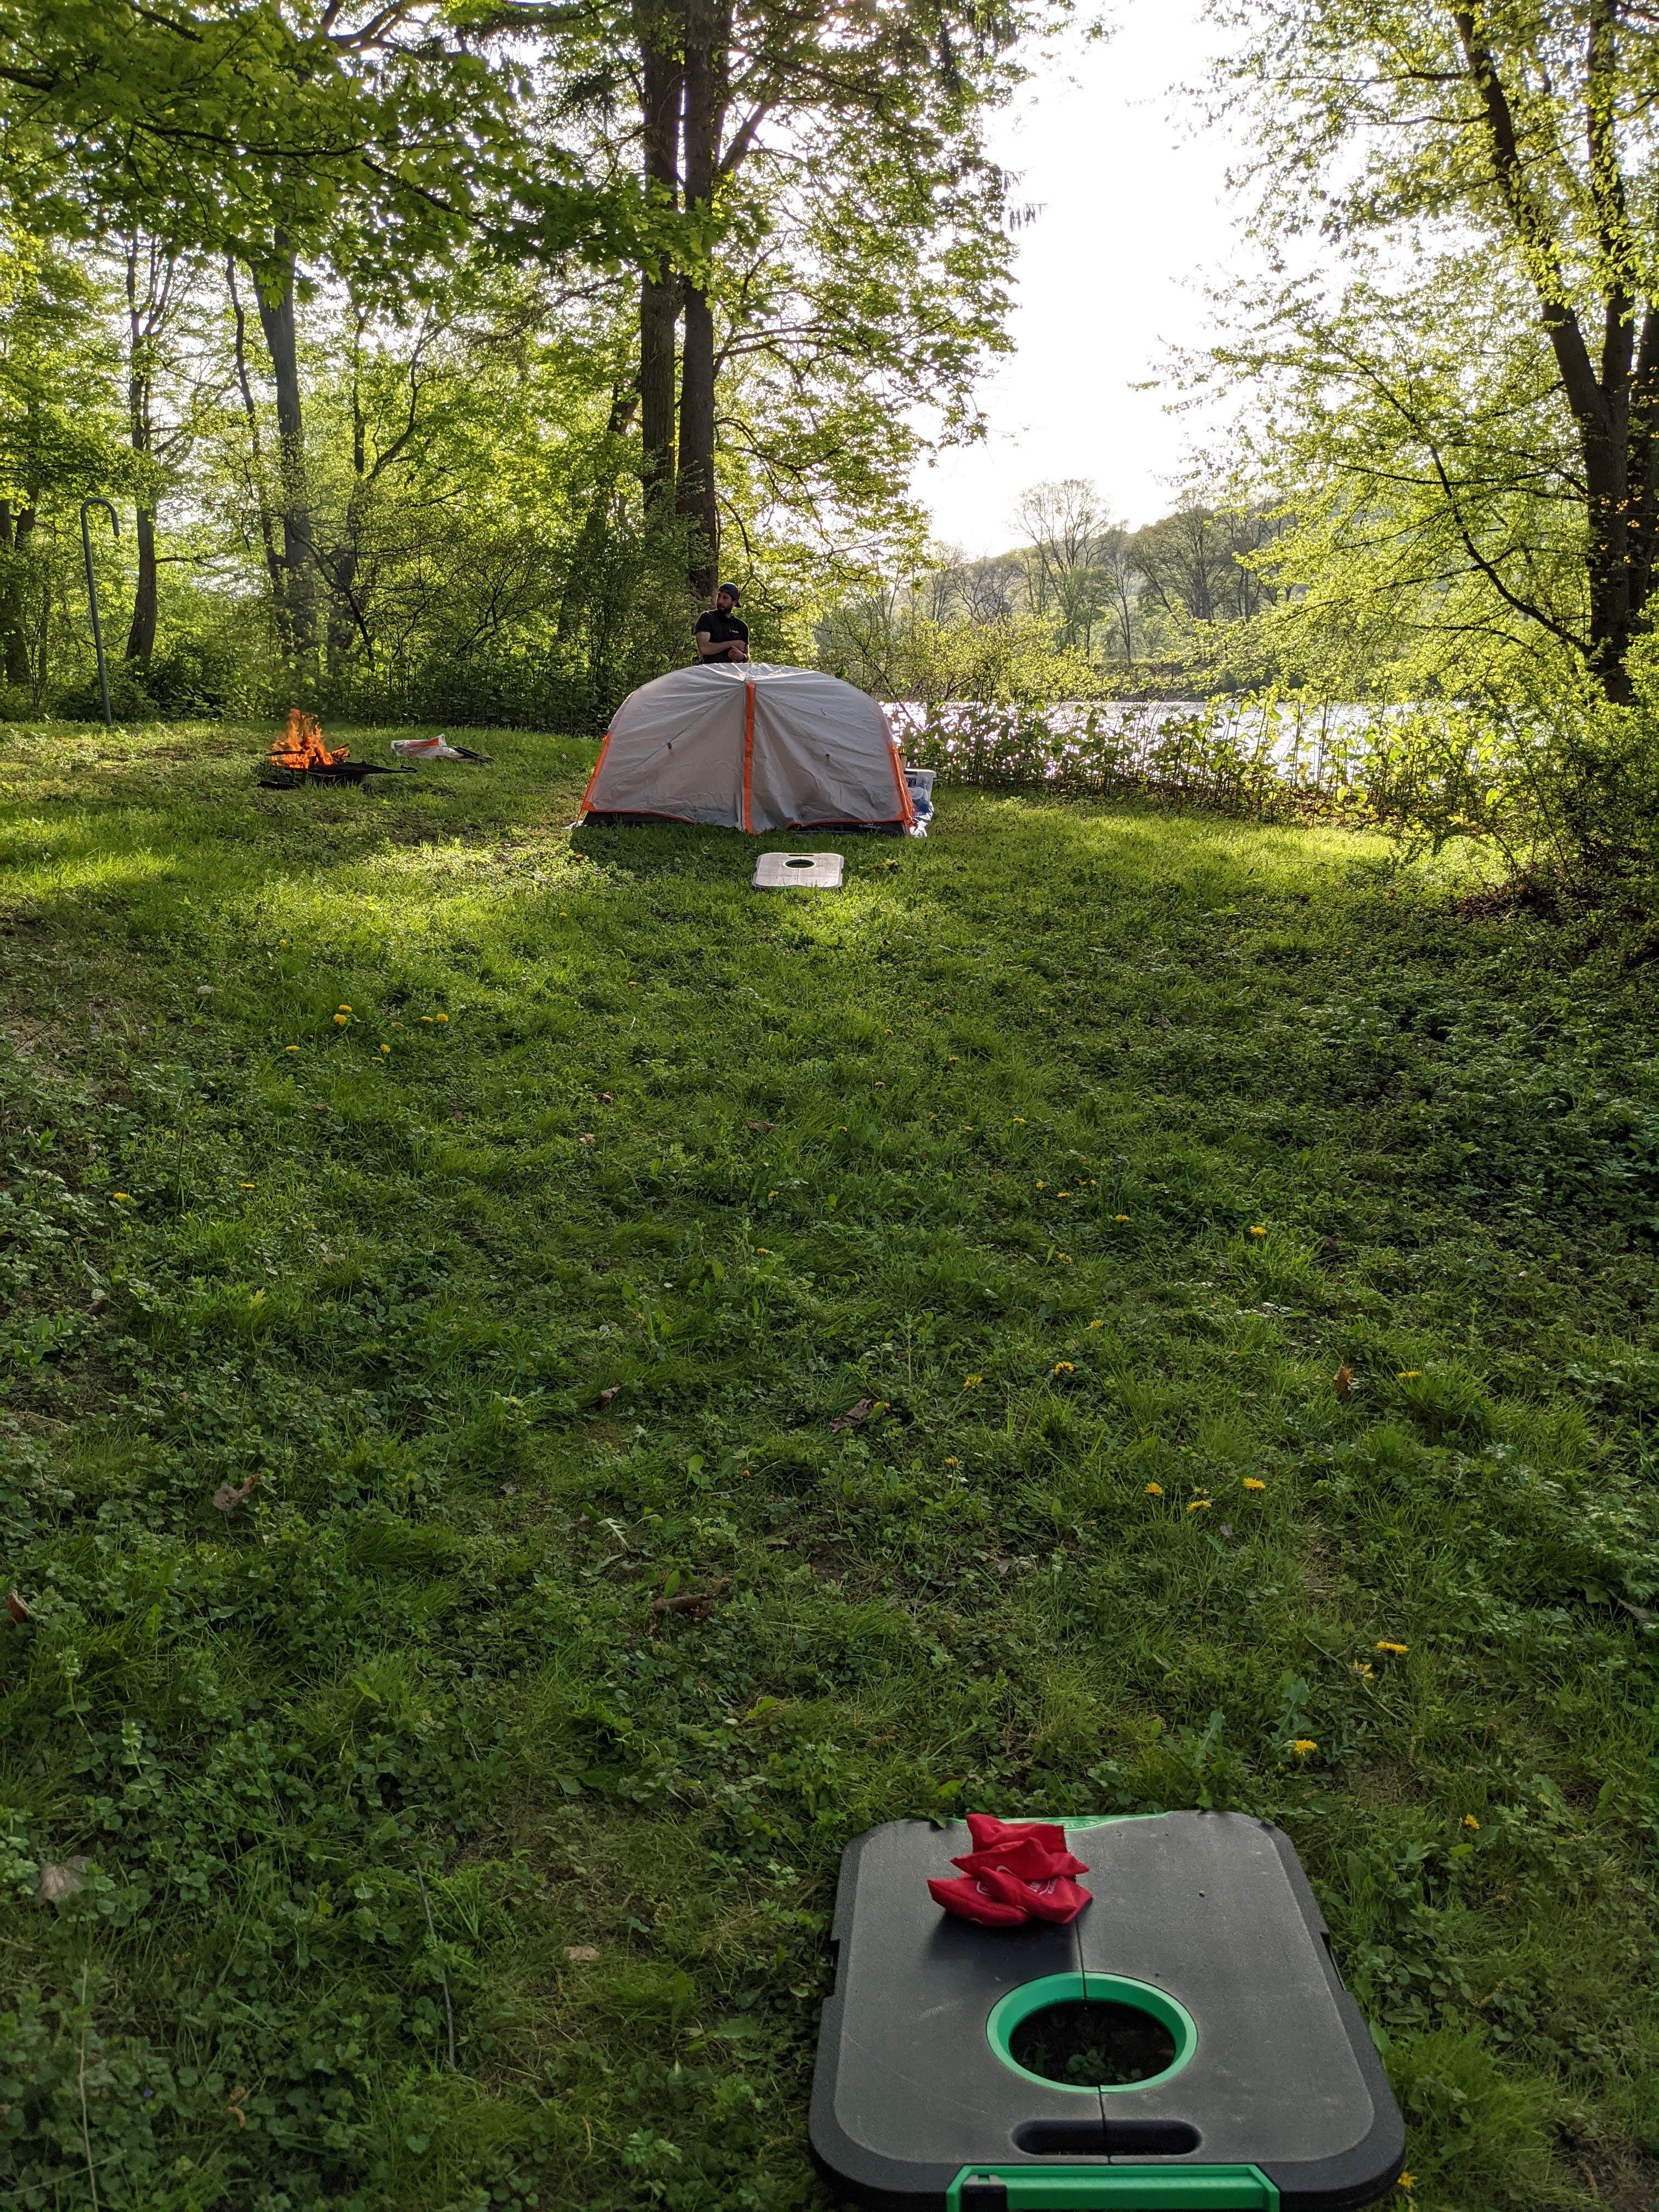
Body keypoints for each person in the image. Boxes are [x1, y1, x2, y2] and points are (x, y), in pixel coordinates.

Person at [694, 582, 749, 663]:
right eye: (719, 596)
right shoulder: (707, 618)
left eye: (725, 598)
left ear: (734, 603)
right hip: (711, 672)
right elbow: (704, 649)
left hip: (734, 674)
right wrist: (731, 644)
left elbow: (747, 655)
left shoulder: (742, 627)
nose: (720, 601)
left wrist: (742, 657)